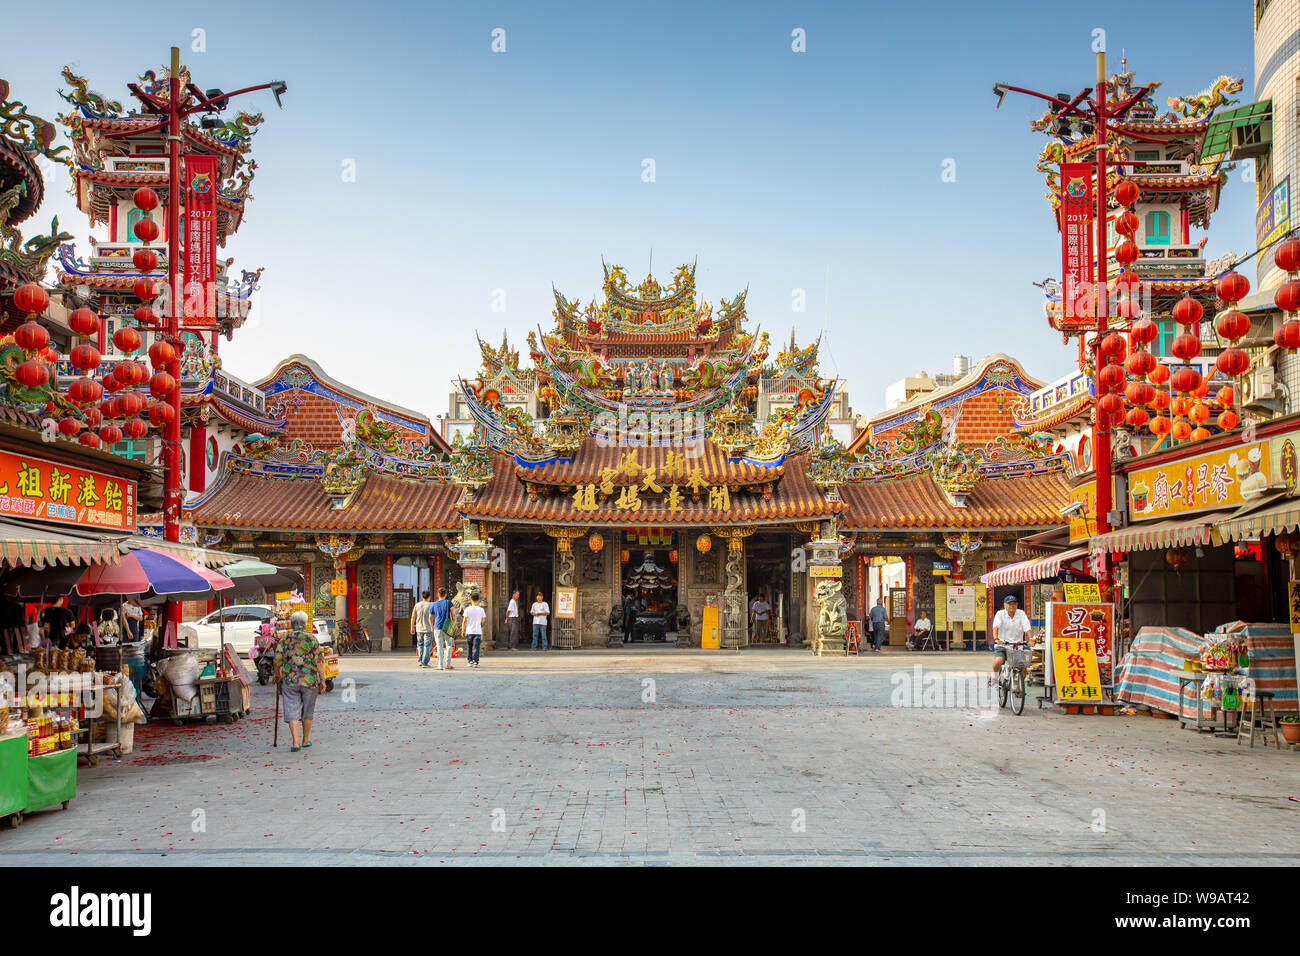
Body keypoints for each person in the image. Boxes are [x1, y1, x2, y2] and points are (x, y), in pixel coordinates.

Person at [275, 610, 326, 752]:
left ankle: (295, 742)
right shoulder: (311, 639)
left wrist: (277, 675)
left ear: (292, 624)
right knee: (308, 710)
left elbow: (277, 660)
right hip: (309, 681)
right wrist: (323, 680)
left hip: (290, 680)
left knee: (291, 708)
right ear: (305, 624)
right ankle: (305, 740)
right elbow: (320, 661)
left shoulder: (284, 640)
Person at [991, 594, 1032, 686]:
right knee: (998, 661)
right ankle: (995, 677)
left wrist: (1031, 639)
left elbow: (1027, 627)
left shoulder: (1021, 613)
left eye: (1014, 604)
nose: (1012, 606)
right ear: (1005, 605)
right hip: (1003, 645)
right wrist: (996, 638)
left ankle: (1018, 688)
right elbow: (996, 627)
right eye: (1009, 604)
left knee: (1023, 667)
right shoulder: (1000, 614)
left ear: (1017, 605)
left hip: (1017, 646)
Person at [460, 591, 486, 668]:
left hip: (469, 631)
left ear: (471, 600)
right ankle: (475, 662)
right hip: (477, 631)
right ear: (478, 600)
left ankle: (470, 661)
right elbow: (483, 620)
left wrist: (462, 630)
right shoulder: (481, 610)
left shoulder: (467, 609)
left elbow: (464, 620)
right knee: (476, 647)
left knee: (469, 646)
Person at [431, 587, 454, 670]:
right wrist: (454, 624)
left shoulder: (434, 604)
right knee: (449, 645)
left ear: (438, 594)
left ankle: (440, 665)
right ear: (446, 595)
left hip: (437, 627)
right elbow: (453, 614)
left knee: (439, 646)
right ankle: (448, 664)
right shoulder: (449, 603)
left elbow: (430, 616)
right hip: (447, 626)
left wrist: (431, 625)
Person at [411, 589, 435, 668]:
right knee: (427, 646)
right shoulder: (432, 605)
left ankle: (420, 661)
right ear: (429, 597)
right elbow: (434, 617)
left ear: (422, 596)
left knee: (420, 645)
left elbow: (413, 617)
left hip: (419, 628)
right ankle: (425, 662)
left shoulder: (417, 605)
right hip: (428, 628)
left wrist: (412, 627)